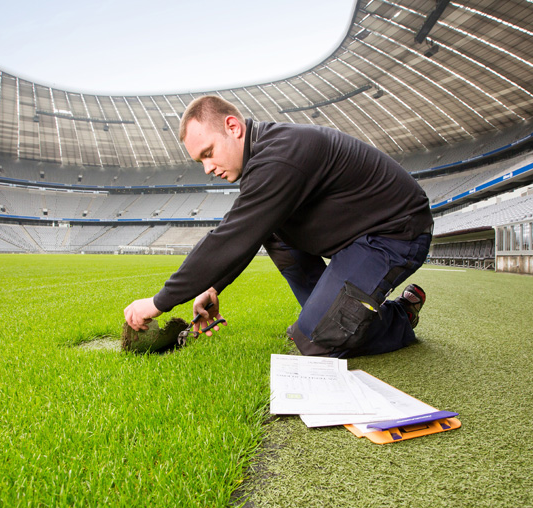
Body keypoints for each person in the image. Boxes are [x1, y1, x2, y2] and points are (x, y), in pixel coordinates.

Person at [124, 95, 433, 358]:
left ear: (233, 127)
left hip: (395, 234)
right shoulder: (265, 155)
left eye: (208, 153)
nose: (208, 168)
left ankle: (399, 316)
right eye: (199, 161)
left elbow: (231, 237)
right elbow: (251, 232)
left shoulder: (279, 157)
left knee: (315, 341)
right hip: (358, 237)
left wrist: (157, 303)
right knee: (275, 234)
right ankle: (323, 317)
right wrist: (214, 286)